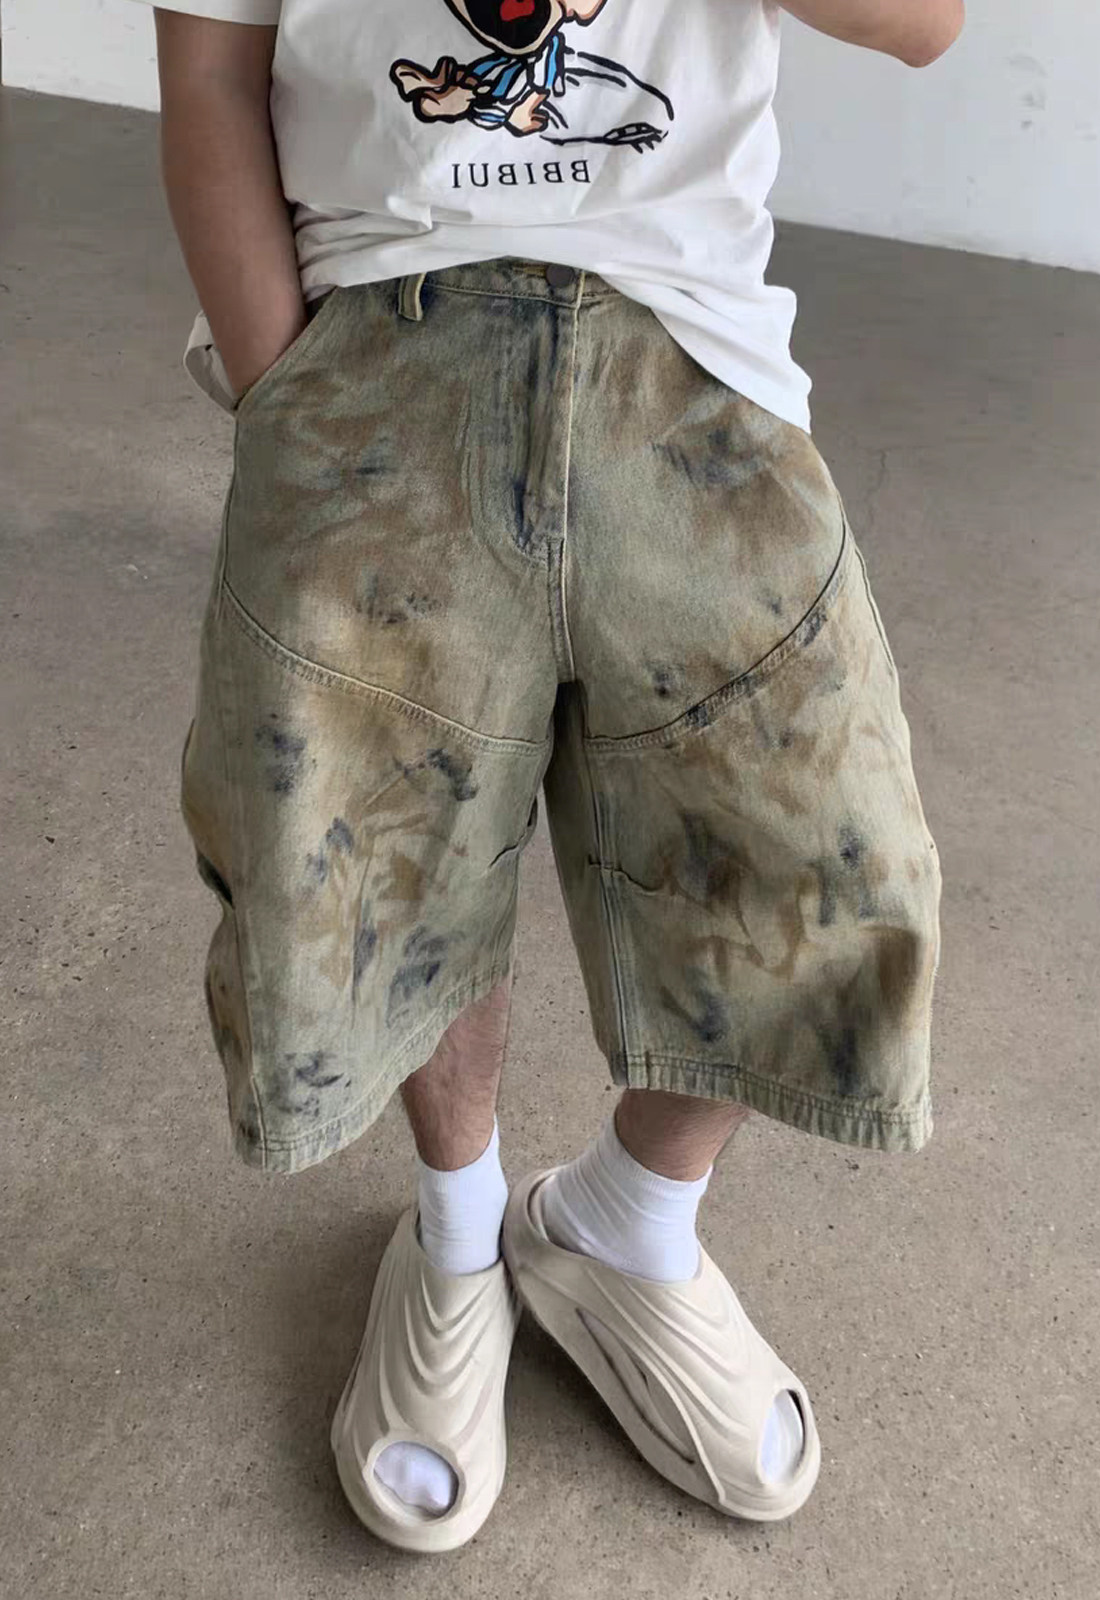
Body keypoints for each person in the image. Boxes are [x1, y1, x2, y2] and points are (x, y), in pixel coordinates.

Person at [141, 0, 960, 1553]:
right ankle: (455, 1239)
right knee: (368, 859)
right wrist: (283, 401)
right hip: (380, 332)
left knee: (823, 857)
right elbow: (211, 76)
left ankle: (626, 1224)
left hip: (694, 344)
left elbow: (926, 22)